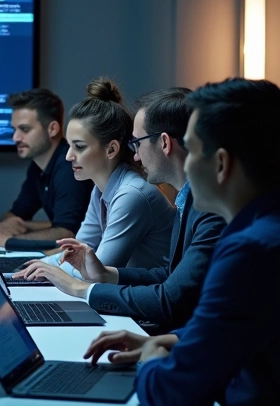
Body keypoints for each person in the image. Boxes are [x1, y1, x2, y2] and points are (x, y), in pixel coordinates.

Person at [84, 78, 280, 406]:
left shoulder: (251, 251)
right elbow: (249, 324)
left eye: (193, 148)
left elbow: (170, 394)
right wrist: (180, 340)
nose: (184, 158)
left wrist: (152, 356)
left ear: (219, 165)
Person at [19, 88, 224, 333]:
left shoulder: (208, 210)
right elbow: (168, 275)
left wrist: (80, 288)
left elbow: (170, 299)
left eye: (137, 143)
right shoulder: (187, 200)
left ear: (165, 143)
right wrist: (107, 275)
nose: (135, 156)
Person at [18, 78, 174, 275]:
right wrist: (31, 265)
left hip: (152, 302)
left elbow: (96, 270)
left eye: (79, 147)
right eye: (69, 146)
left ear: (111, 149)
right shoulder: (101, 191)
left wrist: (47, 269)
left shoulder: (132, 195)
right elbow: (77, 252)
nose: (68, 156)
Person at [0, 88, 94, 247]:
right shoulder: (38, 166)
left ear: (52, 129)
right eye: (14, 129)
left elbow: (67, 233)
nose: (15, 138)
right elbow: (15, 215)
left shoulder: (69, 166)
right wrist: (10, 225)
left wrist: (5, 240)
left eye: (24, 129)